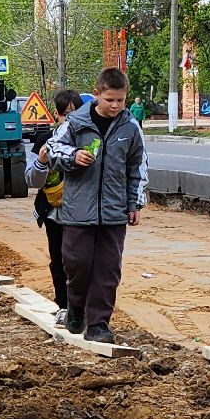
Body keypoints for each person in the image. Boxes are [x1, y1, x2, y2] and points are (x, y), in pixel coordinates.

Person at [47, 69, 148, 343]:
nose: (115, 106)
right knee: (77, 263)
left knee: (108, 269)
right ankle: (76, 307)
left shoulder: (130, 128)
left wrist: (134, 203)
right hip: (79, 211)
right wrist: (73, 155)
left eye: (120, 100)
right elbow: (52, 149)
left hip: (114, 212)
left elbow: (137, 167)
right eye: (109, 99)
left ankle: (99, 324)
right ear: (97, 94)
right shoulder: (76, 123)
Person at [25, 89, 86, 310]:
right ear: (56, 115)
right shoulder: (44, 141)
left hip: (83, 211)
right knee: (59, 260)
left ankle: (81, 306)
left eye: (76, 114)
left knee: (81, 261)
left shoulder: (89, 140)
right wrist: (42, 161)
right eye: (66, 115)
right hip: (54, 212)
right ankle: (63, 305)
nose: (71, 120)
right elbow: (31, 179)